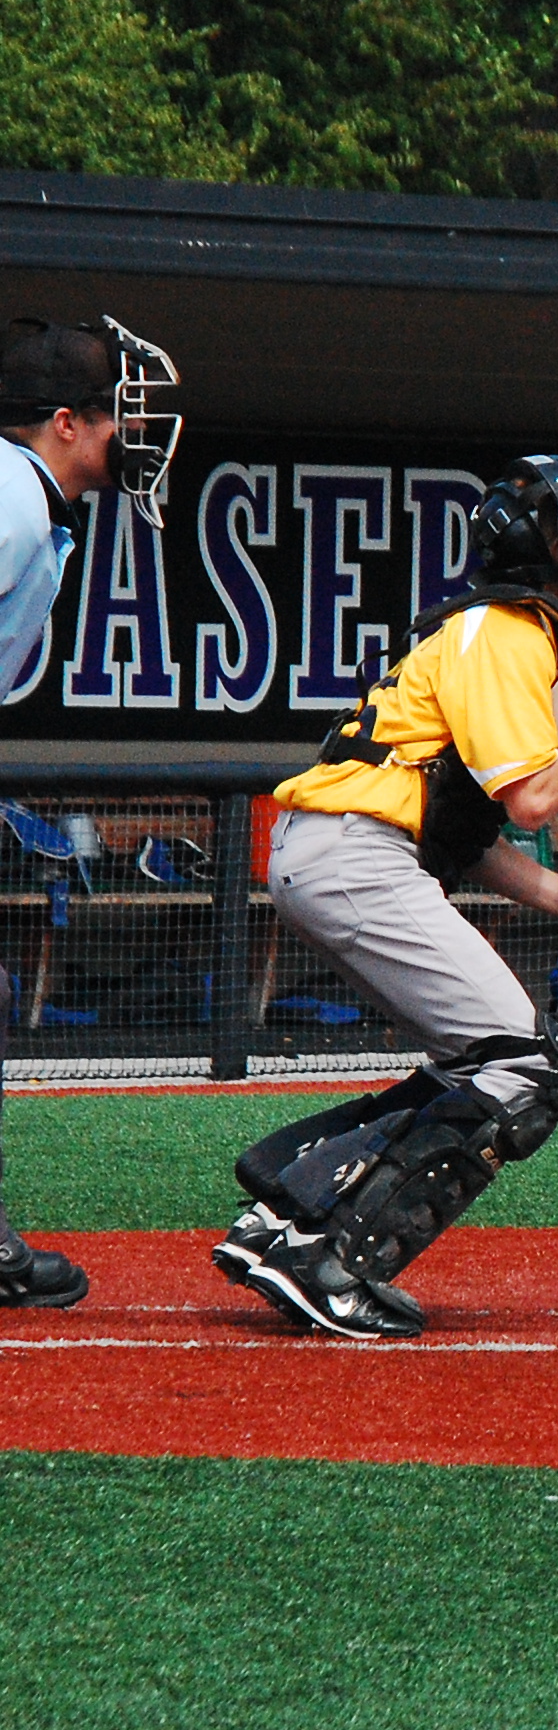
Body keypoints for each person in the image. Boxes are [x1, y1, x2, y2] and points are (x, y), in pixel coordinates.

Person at [211, 457, 558, 1340]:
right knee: (529, 1067)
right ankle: (333, 1259)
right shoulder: (509, 630)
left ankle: (289, 1207)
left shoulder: (487, 630)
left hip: (340, 853)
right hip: (356, 857)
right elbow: (532, 800)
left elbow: (470, 840)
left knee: (484, 1059)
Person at [0, 316, 185, 1312]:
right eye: (116, 414)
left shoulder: (27, 499)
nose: (132, 433)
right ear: (65, 422)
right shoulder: (10, 500)